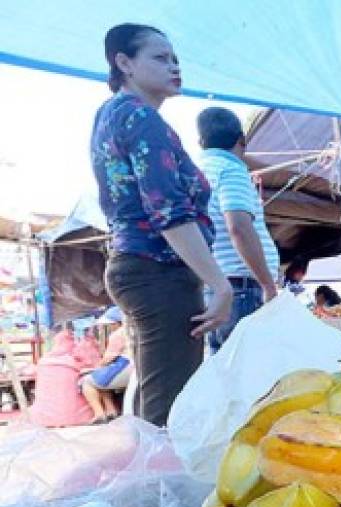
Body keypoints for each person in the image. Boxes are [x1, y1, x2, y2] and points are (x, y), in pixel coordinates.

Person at [91, 24, 231, 427]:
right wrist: (219, 283)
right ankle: (158, 490)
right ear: (124, 63)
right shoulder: (142, 119)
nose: (174, 67)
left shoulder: (113, 114)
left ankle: (148, 484)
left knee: (154, 396)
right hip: (159, 270)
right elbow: (167, 212)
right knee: (170, 408)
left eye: (175, 59)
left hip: (137, 268)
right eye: (159, 57)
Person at [196, 106, 280, 353]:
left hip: (214, 286)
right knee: (249, 375)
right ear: (242, 141)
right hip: (240, 288)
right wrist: (268, 286)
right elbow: (239, 228)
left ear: (201, 142)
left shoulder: (196, 173)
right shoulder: (230, 170)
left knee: (224, 370)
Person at [80, 306, 131, 423]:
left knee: (87, 381)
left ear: (116, 323)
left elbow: (108, 358)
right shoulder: (132, 330)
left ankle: (99, 414)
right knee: (101, 380)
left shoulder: (118, 334)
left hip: (125, 367)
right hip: (133, 367)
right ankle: (111, 411)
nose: (110, 327)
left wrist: (93, 368)